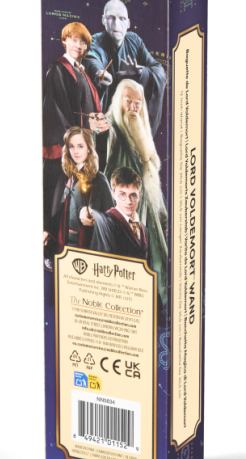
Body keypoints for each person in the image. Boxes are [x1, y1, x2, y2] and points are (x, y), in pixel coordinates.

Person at [89, 80, 168, 304]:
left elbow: (151, 180)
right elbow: (100, 145)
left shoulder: (140, 131)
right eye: (128, 101)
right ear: (118, 102)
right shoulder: (112, 128)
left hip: (147, 217)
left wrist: (162, 216)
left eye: (138, 103)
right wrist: (97, 130)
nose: (133, 107)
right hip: (122, 217)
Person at [42, 22, 112, 225]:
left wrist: (98, 122)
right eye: (74, 40)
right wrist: (80, 136)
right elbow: (56, 110)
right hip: (64, 150)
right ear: (64, 41)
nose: (78, 46)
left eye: (83, 42)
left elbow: (86, 108)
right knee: (57, 204)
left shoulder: (82, 73)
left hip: (81, 150)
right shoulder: (58, 69)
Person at [83, 0, 167, 136]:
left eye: (122, 18)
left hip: (129, 116)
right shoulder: (95, 41)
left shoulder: (134, 40)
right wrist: (100, 73)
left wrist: (141, 73)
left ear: (128, 23)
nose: (116, 24)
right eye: (111, 18)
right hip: (106, 121)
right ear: (103, 20)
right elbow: (92, 59)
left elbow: (159, 71)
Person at [43, 127, 114, 271]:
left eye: (80, 146)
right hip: (65, 245)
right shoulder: (70, 176)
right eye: (71, 146)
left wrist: (94, 216)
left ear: (89, 148)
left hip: (88, 248)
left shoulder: (99, 179)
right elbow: (63, 210)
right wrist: (48, 231)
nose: (75, 151)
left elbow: (111, 219)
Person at [90, 167, 152, 265]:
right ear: (113, 194)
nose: (128, 202)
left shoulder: (144, 230)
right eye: (122, 194)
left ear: (139, 196)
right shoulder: (107, 222)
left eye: (133, 195)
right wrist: (86, 211)